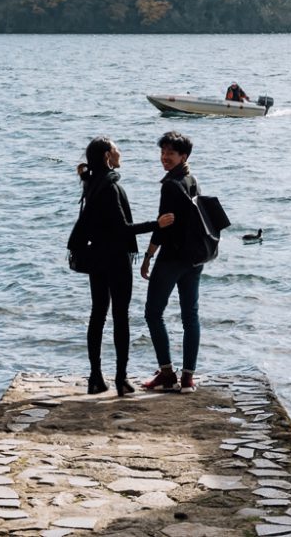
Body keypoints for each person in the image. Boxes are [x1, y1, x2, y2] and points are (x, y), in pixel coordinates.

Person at [73, 138, 173, 396]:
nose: (120, 152)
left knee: (98, 315)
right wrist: (156, 224)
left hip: (96, 257)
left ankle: (95, 377)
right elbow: (121, 230)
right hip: (116, 259)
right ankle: (121, 379)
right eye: (116, 149)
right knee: (120, 317)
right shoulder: (109, 187)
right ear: (108, 155)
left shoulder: (93, 182)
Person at [138, 130, 212, 393]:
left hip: (172, 259)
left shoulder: (170, 185)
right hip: (194, 259)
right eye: (162, 152)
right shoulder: (192, 179)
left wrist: (148, 257)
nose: (164, 157)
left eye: (170, 153)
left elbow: (163, 226)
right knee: (190, 317)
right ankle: (188, 378)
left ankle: (167, 373)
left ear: (184, 155)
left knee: (153, 313)